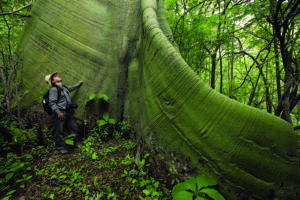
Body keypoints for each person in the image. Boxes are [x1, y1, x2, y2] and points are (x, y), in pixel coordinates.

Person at [45, 72, 83, 154]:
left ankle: (75, 143)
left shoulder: (63, 87)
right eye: (55, 77)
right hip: (60, 113)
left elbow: (71, 88)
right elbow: (52, 103)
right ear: (53, 81)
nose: (57, 76)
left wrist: (78, 84)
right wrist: (58, 113)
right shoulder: (54, 90)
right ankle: (60, 148)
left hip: (67, 112)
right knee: (59, 130)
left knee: (73, 128)